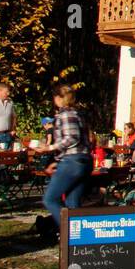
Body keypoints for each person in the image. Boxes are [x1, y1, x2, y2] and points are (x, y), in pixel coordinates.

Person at [38, 85, 93, 241]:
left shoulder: (65, 114)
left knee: (50, 199)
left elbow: (71, 138)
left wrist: (50, 147)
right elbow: (85, 140)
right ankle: (80, 239)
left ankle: (68, 231)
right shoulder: (79, 114)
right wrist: (58, 160)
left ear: (59, 98)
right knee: (72, 202)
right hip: (82, 160)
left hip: (72, 161)